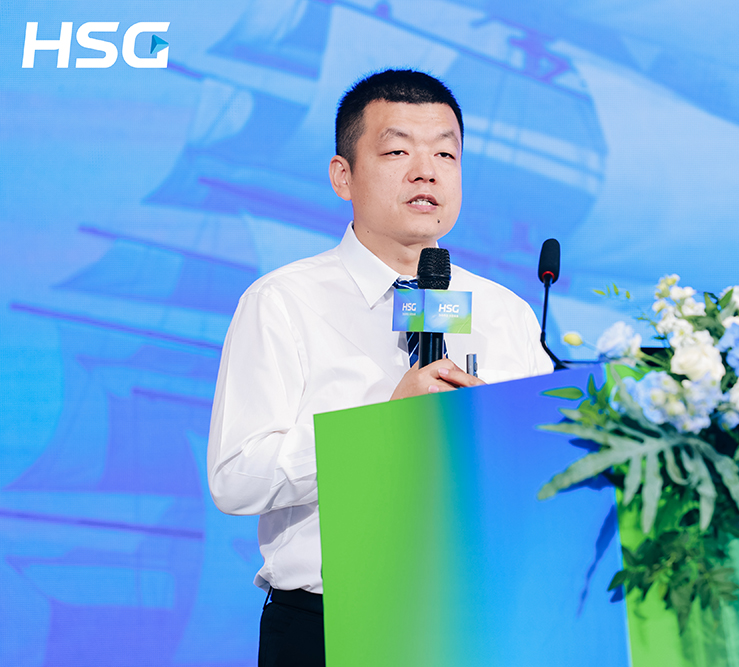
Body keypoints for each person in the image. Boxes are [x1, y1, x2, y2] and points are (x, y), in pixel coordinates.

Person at [206, 69, 552, 666]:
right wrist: (380, 428)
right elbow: (235, 478)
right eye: (397, 152)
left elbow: (541, 473)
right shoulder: (283, 302)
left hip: (479, 623)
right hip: (328, 626)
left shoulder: (505, 313)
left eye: (445, 153)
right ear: (343, 175)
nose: (426, 172)